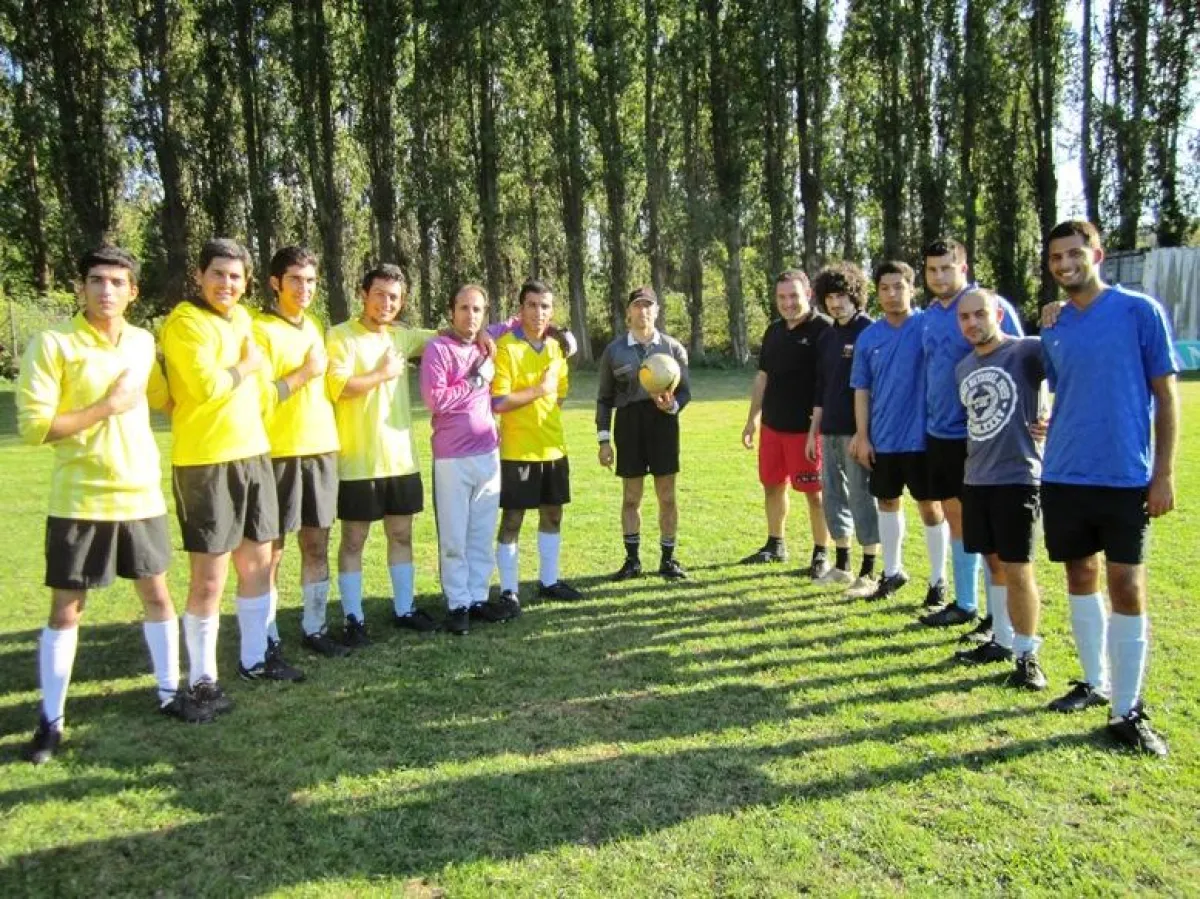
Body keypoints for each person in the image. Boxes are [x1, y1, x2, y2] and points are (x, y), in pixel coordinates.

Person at [18, 247, 213, 763]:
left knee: (157, 596)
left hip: (141, 493)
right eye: (96, 281)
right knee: (67, 609)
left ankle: (171, 694)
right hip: (80, 497)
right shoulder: (53, 343)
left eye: (117, 282)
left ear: (133, 292)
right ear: (81, 287)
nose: (106, 291)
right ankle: (51, 723)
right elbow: (35, 427)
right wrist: (106, 406)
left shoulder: (143, 341)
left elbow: (162, 397)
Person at [1039, 220, 1178, 757]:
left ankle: (1128, 709)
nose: (1066, 263)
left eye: (1075, 253)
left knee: (1126, 586)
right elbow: (1053, 390)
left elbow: (1166, 398)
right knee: (1080, 574)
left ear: (1096, 253)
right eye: (1056, 257)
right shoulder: (1053, 325)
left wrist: (1162, 473)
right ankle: (1092, 682)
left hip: (1124, 476)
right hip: (1064, 473)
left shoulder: (1140, 312)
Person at [161, 238, 298, 709]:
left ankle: (255, 658)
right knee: (210, 577)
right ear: (200, 275)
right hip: (206, 463)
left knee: (259, 563)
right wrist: (244, 366)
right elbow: (203, 388)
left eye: (236, 276)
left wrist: (250, 374)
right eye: (218, 274)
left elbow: (255, 390)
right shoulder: (184, 323)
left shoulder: (242, 319)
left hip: (254, 454)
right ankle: (202, 678)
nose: (227, 284)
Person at [325, 265, 442, 646]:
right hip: (358, 461)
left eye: (394, 297)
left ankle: (405, 609)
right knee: (354, 540)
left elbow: (450, 334)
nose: (387, 303)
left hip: (401, 460)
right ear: (363, 293)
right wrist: (383, 372)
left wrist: (492, 338)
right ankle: (353, 619)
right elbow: (340, 388)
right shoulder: (340, 336)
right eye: (380, 294)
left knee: (401, 534)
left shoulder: (402, 336)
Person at [918, 238, 1024, 632]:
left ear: (963, 267)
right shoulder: (928, 316)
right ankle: (965, 603)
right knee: (956, 520)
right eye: (932, 269)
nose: (939, 276)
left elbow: (1023, 359)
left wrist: (1038, 413)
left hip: (986, 435)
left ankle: (998, 615)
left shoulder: (990, 307)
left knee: (990, 529)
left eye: (947, 267)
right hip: (940, 434)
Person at [951, 289, 1048, 690]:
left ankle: (1028, 657)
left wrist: (1050, 413)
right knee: (993, 564)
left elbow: (1069, 373)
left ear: (998, 315)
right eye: (965, 318)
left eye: (980, 314)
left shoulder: (1027, 351)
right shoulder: (962, 367)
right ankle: (1002, 641)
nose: (972, 323)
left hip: (1018, 478)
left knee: (1018, 568)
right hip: (977, 479)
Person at [252, 246, 345, 659]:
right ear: (275, 283)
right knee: (272, 550)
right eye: (295, 280)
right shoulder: (258, 331)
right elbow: (260, 398)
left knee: (317, 543)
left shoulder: (313, 325)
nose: (304, 288)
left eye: (310, 280)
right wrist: (307, 373)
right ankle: (267, 635)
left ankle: (314, 626)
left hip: (321, 449)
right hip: (278, 453)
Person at [849, 262, 946, 602]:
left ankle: (938, 581)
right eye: (885, 288)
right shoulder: (869, 337)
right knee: (887, 502)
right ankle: (892, 573)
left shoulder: (928, 325)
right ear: (877, 293)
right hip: (883, 438)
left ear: (912, 288)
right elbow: (861, 388)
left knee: (930, 507)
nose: (892, 295)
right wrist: (862, 435)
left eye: (899, 287)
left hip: (923, 438)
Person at [420, 285, 508, 635]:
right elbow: (435, 400)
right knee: (454, 536)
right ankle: (457, 604)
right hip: (452, 457)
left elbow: (519, 321)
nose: (471, 316)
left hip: (488, 453)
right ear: (451, 311)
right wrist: (475, 380)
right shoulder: (438, 349)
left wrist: (560, 335)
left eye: (477, 310)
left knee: (482, 533)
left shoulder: (485, 344)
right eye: (464, 308)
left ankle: (478, 597)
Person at [492, 280, 582, 611]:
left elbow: (560, 393)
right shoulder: (505, 348)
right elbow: (499, 401)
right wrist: (537, 392)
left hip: (554, 448)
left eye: (544, 306)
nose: (538, 312)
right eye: (532, 305)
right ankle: (509, 590)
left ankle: (549, 581)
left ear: (551, 311)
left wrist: (546, 399)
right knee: (513, 519)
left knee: (553, 515)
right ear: (520, 309)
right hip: (518, 450)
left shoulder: (557, 349)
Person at [740, 270, 833, 577]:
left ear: (808, 294)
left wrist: (816, 427)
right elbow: (763, 376)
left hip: (807, 430)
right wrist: (752, 419)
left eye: (794, 295)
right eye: (782, 297)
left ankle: (821, 553)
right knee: (772, 486)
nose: (788, 303)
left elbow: (830, 382)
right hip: (772, 427)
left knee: (815, 494)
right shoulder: (774, 331)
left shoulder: (825, 330)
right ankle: (775, 544)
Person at [596, 287, 692, 581]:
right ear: (629, 312)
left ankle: (667, 559)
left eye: (648, 306)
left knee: (667, 497)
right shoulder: (614, 350)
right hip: (629, 423)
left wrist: (672, 405)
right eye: (637, 306)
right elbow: (604, 398)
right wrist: (603, 440)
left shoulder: (673, 348)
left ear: (657, 311)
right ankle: (632, 560)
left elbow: (686, 392)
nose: (643, 311)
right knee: (631, 497)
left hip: (662, 424)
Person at [807, 263, 881, 595]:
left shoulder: (870, 331)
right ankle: (842, 565)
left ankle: (869, 570)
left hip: (859, 431)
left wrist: (865, 434)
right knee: (833, 495)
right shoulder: (826, 335)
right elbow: (821, 387)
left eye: (841, 296)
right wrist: (813, 431)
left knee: (862, 496)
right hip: (829, 429)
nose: (835, 303)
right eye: (829, 297)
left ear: (855, 295)